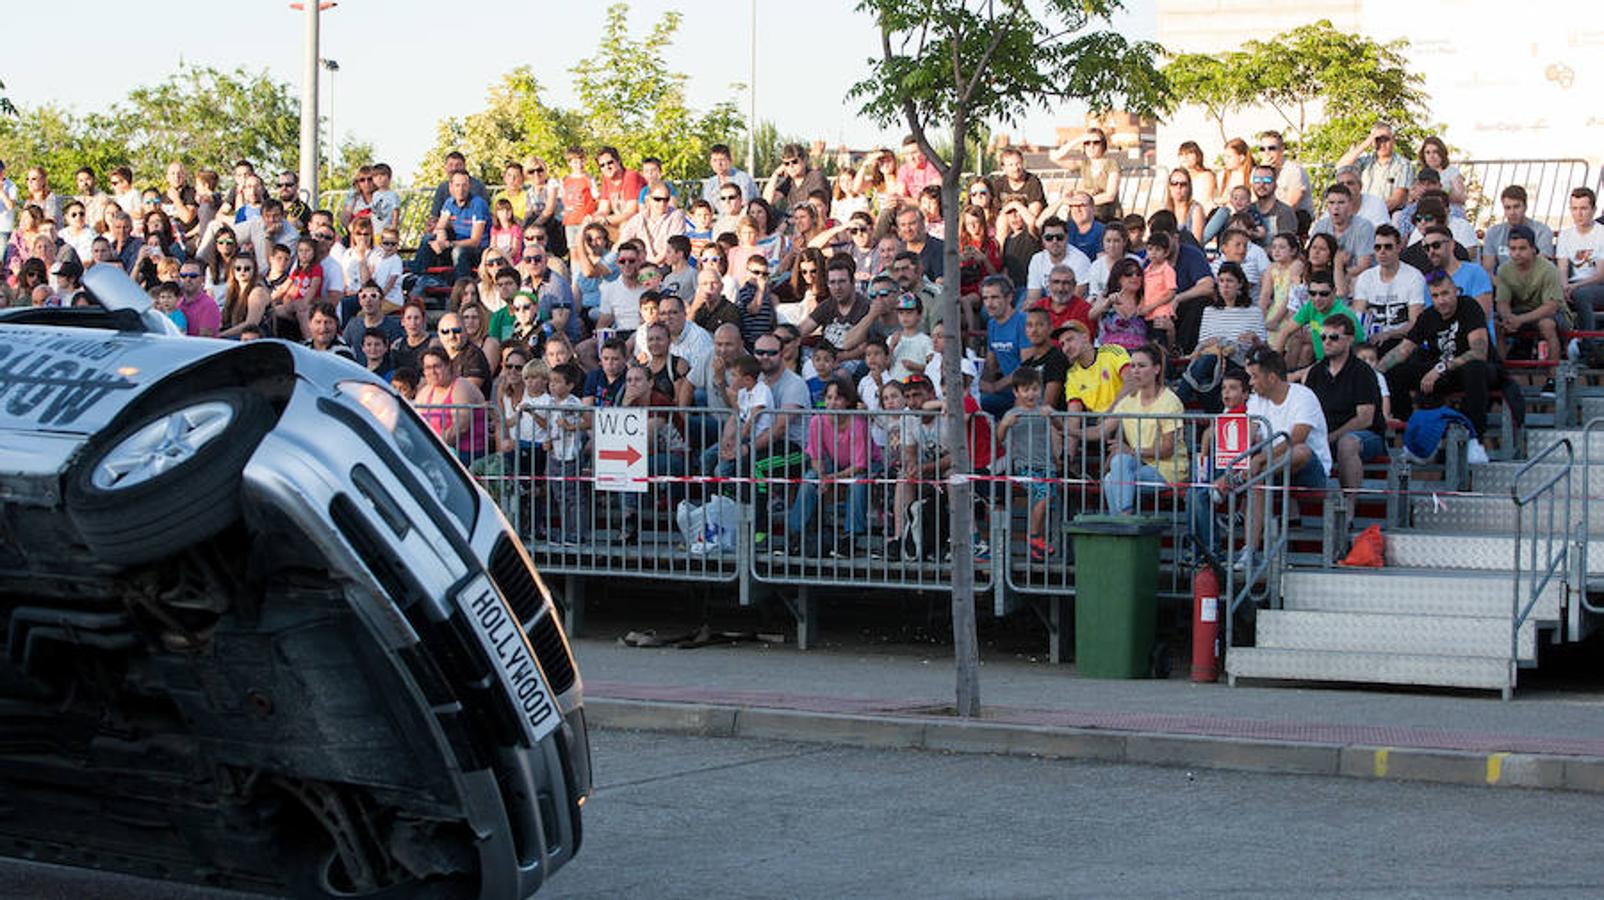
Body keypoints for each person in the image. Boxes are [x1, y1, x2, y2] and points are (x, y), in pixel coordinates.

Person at [1226, 348, 1331, 571]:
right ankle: (1250, 551)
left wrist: (1259, 460)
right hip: (1271, 468)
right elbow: (1249, 434)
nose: (1251, 383)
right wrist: (1241, 459)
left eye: (1254, 377)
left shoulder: (1303, 395)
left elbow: (1297, 438)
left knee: (1300, 451)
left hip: (1309, 472)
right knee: (1259, 476)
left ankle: (1247, 480)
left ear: (1271, 378)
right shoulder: (1256, 400)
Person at [1377, 270, 1496, 441]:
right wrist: (1375, 371)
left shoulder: (1469, 306)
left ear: (1456, 290)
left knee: (1474, 368)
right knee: (1396, 372)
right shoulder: (1427, 316)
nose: (1441, 300)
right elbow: (1403, 350)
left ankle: (1474, 439)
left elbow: (1479, 352)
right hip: (1443, 372)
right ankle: (1409, 435)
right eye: (1435, 295)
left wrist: (1440, 368)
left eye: (1445, 293)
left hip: (1474, 369)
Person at [785, 375, 872, 555]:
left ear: (847, 401)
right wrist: (822, 476)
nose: (832, 403)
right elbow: (815, 457)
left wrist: (831, 478)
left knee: (857, 483)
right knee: (810, 479)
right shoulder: (817, 421)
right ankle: (795, 533)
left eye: (838, 398)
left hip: (865, 467)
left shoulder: (857, 423)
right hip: (835, 465)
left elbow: (861, 464)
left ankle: (851, 537)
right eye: (829, 397)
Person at [1098, 344, 1189, 515]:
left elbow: (1167, 449)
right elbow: (1100, 431)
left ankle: (1122, 520)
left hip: (1168, 468)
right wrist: (1062, 426)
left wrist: (1132, 451)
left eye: (1141, 366)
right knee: (1115, 469)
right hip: (1140, 465)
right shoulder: (1129, 400)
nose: (1135, 371)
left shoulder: (1170, 401)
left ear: (1156, 369)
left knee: (1114, 476)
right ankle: (1125, 518)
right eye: (1132, 366)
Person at [1303, 315, 1384, 492]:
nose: (1327, 342)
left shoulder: (1363, 371)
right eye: (1323, 337)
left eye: (1333, 337)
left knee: (1347, 443)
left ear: (1349, 340)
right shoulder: (1315, 372)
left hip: (1366, 435)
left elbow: (1365, 419)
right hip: (1324, 436)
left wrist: (1330, 437)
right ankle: (1293, 515)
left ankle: (1348, 511)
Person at [998, 368, 1062, 561]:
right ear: (1016, 392)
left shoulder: (1044, 410)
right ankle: (1034, 536)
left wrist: (1054, 417)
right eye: (1026, 390)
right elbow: (998, 439)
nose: (1031, 394)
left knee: (1044, 502)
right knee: (1043, 498)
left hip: (1047, 466)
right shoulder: (1012, 414)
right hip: (1025, 467)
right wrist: (1004, 424)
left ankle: (1038, 541)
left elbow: (1061, 427)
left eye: (1035, 389)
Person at [1494, 225, 1567, 369]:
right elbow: (1502, 301)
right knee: (1497, 326)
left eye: (1522, 248)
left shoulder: (1548, 269)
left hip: (1553, 314)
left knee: (1546, 325)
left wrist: (1519, 320)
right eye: (1513, 249)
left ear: (1533, 249)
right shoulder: (1504, 270)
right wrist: (1508, 318)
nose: (1516, 253)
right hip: (1521, 312)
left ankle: (1553, 377)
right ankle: (1501, 374)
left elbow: (1551, 307)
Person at [1350, 224, 1425, 355]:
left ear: (1399, 247)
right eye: (1377, 247)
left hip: (1401, 341)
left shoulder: (1414, 276)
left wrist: (1388, 334)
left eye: (1388, 247)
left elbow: (1415, 322)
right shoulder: (1365, 277)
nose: (1382, 252)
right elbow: (1358, 316)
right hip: (1369, 340)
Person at [542, 363, 590, 546]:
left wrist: (570, 426)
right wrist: (548, 441)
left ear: (569, 385)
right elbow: (551, 427)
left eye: (557, 382)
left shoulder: (574, 403)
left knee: (573, 496)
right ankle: (565, 532)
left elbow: (588, 421)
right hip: (555, 455)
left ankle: (576, 534)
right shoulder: (551, 403)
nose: (552, 385)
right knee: (560, 495)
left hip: (571, 455)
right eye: (551, 381)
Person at [1280, 270, 1360, 369]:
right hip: (1321, 363)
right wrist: (1275, 365)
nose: (1317, 298)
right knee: (1297, 340)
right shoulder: (1311, 306)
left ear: (1334, 292)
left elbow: (1359, 348)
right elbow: (1285, 331)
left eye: (1324, 294)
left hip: (1341, 366)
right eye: (1312, 293)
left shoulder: (1344, 314)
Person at [1559, 187, 1604, 355]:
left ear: (1593, 210)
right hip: (1573, 286)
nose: (1579, 214)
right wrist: (1564, 286)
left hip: (1597, 286)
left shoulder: (1601, 234)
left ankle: (1588, 346)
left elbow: (1600, 275)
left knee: (1582, 295)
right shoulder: (1565, 235)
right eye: (1575, 208)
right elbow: (1562, 268)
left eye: (1584, 208)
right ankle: (1561, 349)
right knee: (1551, 293)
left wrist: (1574, 287)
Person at [976, 276, 1026, 416]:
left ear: (1009, 297)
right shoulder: (992, 324)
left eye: (994, 297)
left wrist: (995, 386)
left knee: (983, 402)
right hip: (1007, 390)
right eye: (985, 298)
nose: (989, 304)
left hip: (1026, 391)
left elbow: (1026, 367)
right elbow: (991, 364)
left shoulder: (1023, 321)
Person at [1337, 122, 1413, 213]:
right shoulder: (1365, 161)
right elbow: (1341, 166)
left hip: (1389, 214)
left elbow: (1397, 199)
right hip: (1362, 212)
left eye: (1386, 139)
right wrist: (1366, 142)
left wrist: (1372, 213)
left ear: (1393, 140)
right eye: (1378, 140)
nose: (1382, 144)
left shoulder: (1403, 164)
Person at [1311, 184, 1376, 274]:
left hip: (1355, 278)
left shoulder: (1364, 227)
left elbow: (1363, 266)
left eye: (1341, 203)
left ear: (1350, 205)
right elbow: (1310, 257)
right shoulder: (1321, 226)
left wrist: (1338, 275)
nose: (1336, 207)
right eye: (1331, 202)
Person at [1026, 218, 1092, 306]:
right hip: (1047, 306)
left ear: (1067, 238)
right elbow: (1033, 298)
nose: (1054, 241)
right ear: (1043, 240)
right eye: (1049, 238)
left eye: (1059, 237)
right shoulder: (1037, 259)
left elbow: (1076, 298)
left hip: (1074, 308)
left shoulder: (1080, 260)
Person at [1257, 130, 1312, 232]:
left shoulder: (1294, 170)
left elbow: (1291, 205)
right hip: (1264, 218)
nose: (1267, 153)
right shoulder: (1258, 172)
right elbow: (1253, 199)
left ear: (1282, 149)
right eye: (1262, 149)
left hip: (1290, 219)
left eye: (1272, 148)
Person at [436, 310, 492, 393]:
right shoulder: (437, 355)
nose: (451, 336)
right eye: (445, 331)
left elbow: (467, 391)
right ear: (439, 334)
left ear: (465, 331)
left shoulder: (474, 355)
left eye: (456, 330)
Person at [987, 148, 1046, 221]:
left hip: (1029, 224)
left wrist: (1015, 206)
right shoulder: (999, 184)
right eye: (1011, 165)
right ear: (1003, 167)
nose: (1015, 168)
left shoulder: (1032, 182)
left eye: (1018, 164)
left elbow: (1035, 213)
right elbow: (994, 211)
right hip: (1006, 223)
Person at [1248, 164, 1297, 246]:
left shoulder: (1285, 212)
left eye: (1267, 180)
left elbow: (1285, 247)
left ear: (1275, 184)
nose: (1261, 184)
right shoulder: (1247, 210)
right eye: (1257, 180)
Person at [887, 293, 933, 379]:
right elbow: (885, 365)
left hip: (918, 384)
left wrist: (916, 367)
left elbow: (933, 368)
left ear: (919, 315)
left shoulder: (926, 340)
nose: (905, 317)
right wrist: (891, 347)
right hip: (895, 384)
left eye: (909, 313)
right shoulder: (892, 338)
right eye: (901, 313)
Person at [174, 259, 220, 337]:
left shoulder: (209, 305)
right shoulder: (176, 303)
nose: (188, 279)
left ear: (203, 279)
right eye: (183, 276)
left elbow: (204, 341)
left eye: (193, 276)